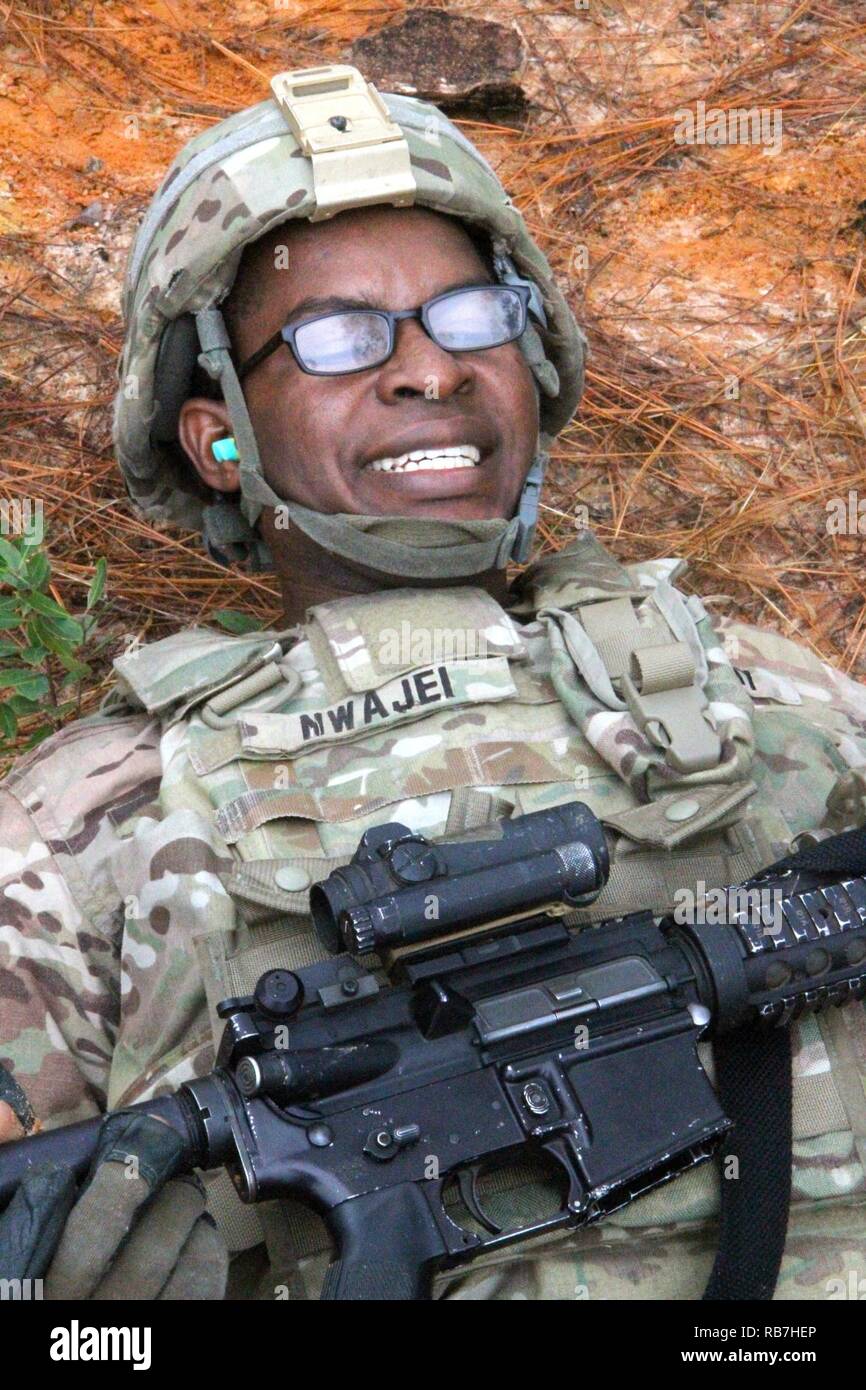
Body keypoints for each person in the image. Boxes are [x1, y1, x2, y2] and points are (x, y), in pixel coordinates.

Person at [2, 64, 866, 1301]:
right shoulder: (88, 824)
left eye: (470, 317)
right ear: (218, 432)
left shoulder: (756, 690)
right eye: (339, 337)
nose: (428, 371)